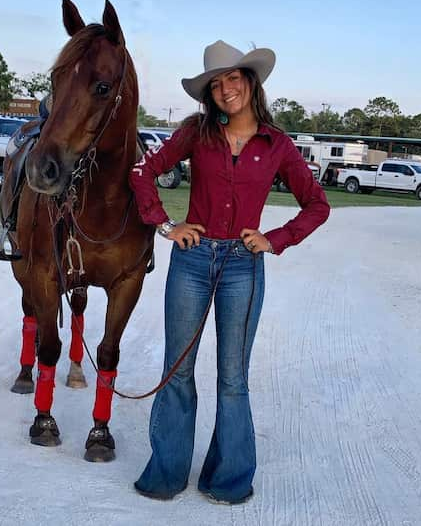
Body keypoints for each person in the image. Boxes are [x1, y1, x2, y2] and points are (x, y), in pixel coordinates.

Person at [129, 40, 330, 504]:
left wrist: (275, 238)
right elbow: (143, 171)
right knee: (177, 368)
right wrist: (165, 224)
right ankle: (166, 472)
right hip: (193, 262)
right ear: (209, 94)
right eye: (216, 84)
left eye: (233, 78)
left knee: (232, 376)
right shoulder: (195, 133)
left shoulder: (276, 144)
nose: (225, 89)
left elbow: (317, 205)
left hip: (244, 267)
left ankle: (229, 478)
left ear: (251, 82)